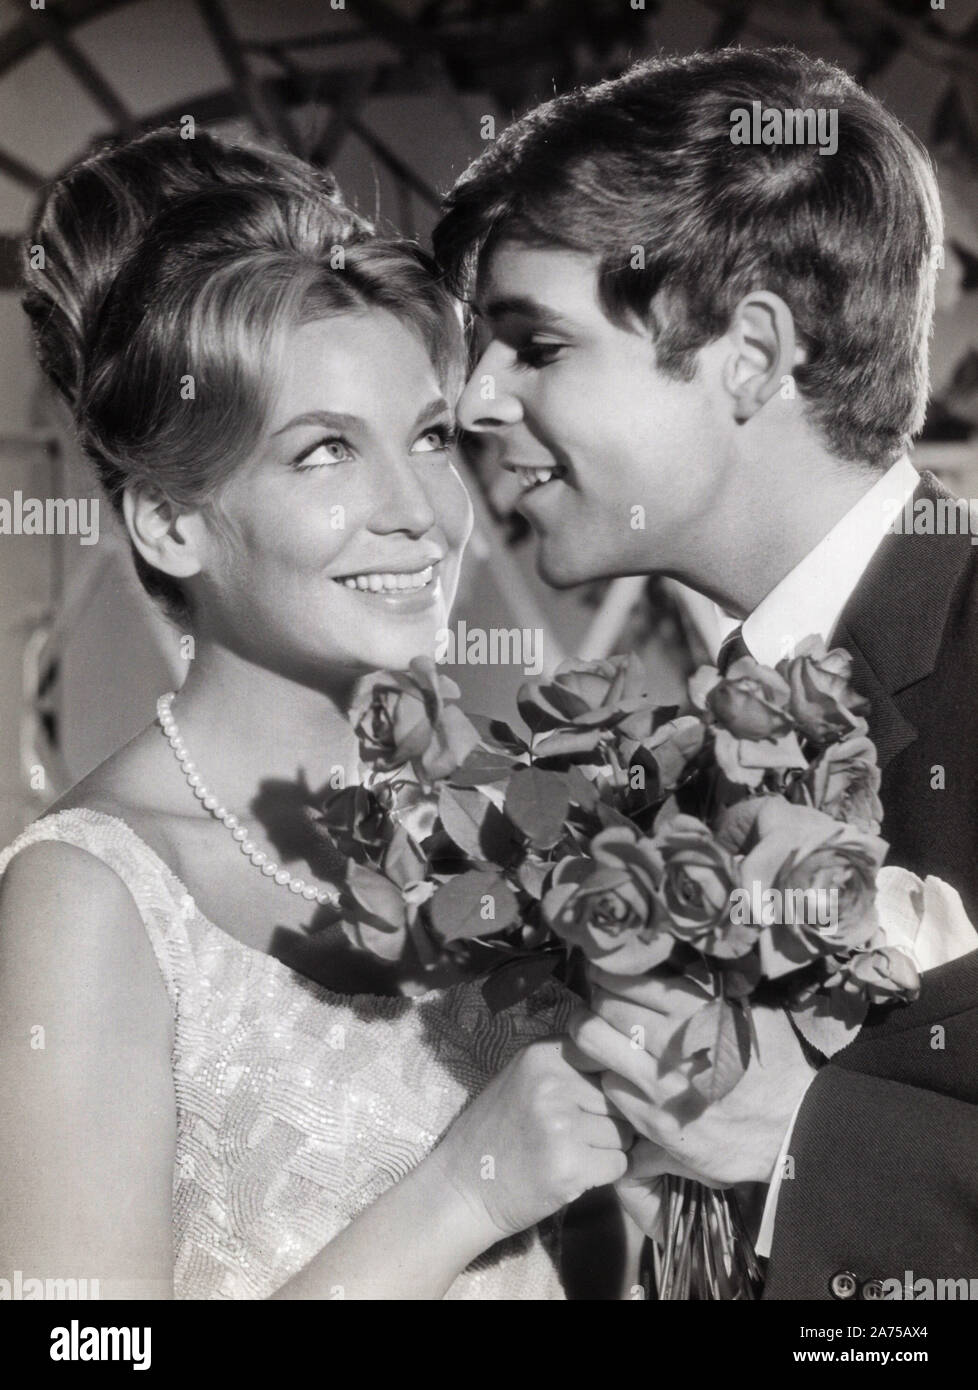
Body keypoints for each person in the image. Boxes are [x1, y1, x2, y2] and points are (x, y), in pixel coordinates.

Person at [0, 128, 632, 1301]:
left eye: (430, 436)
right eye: (326, 450)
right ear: (171, 524)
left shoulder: (498, 845)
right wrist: (464, 1192)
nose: (417, 511)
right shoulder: (89, 898)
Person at [434, 46, 978, 1298]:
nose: (474, 400)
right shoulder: (670, 754)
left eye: (535, 343)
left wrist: (812, 1144)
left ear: (750, 354)